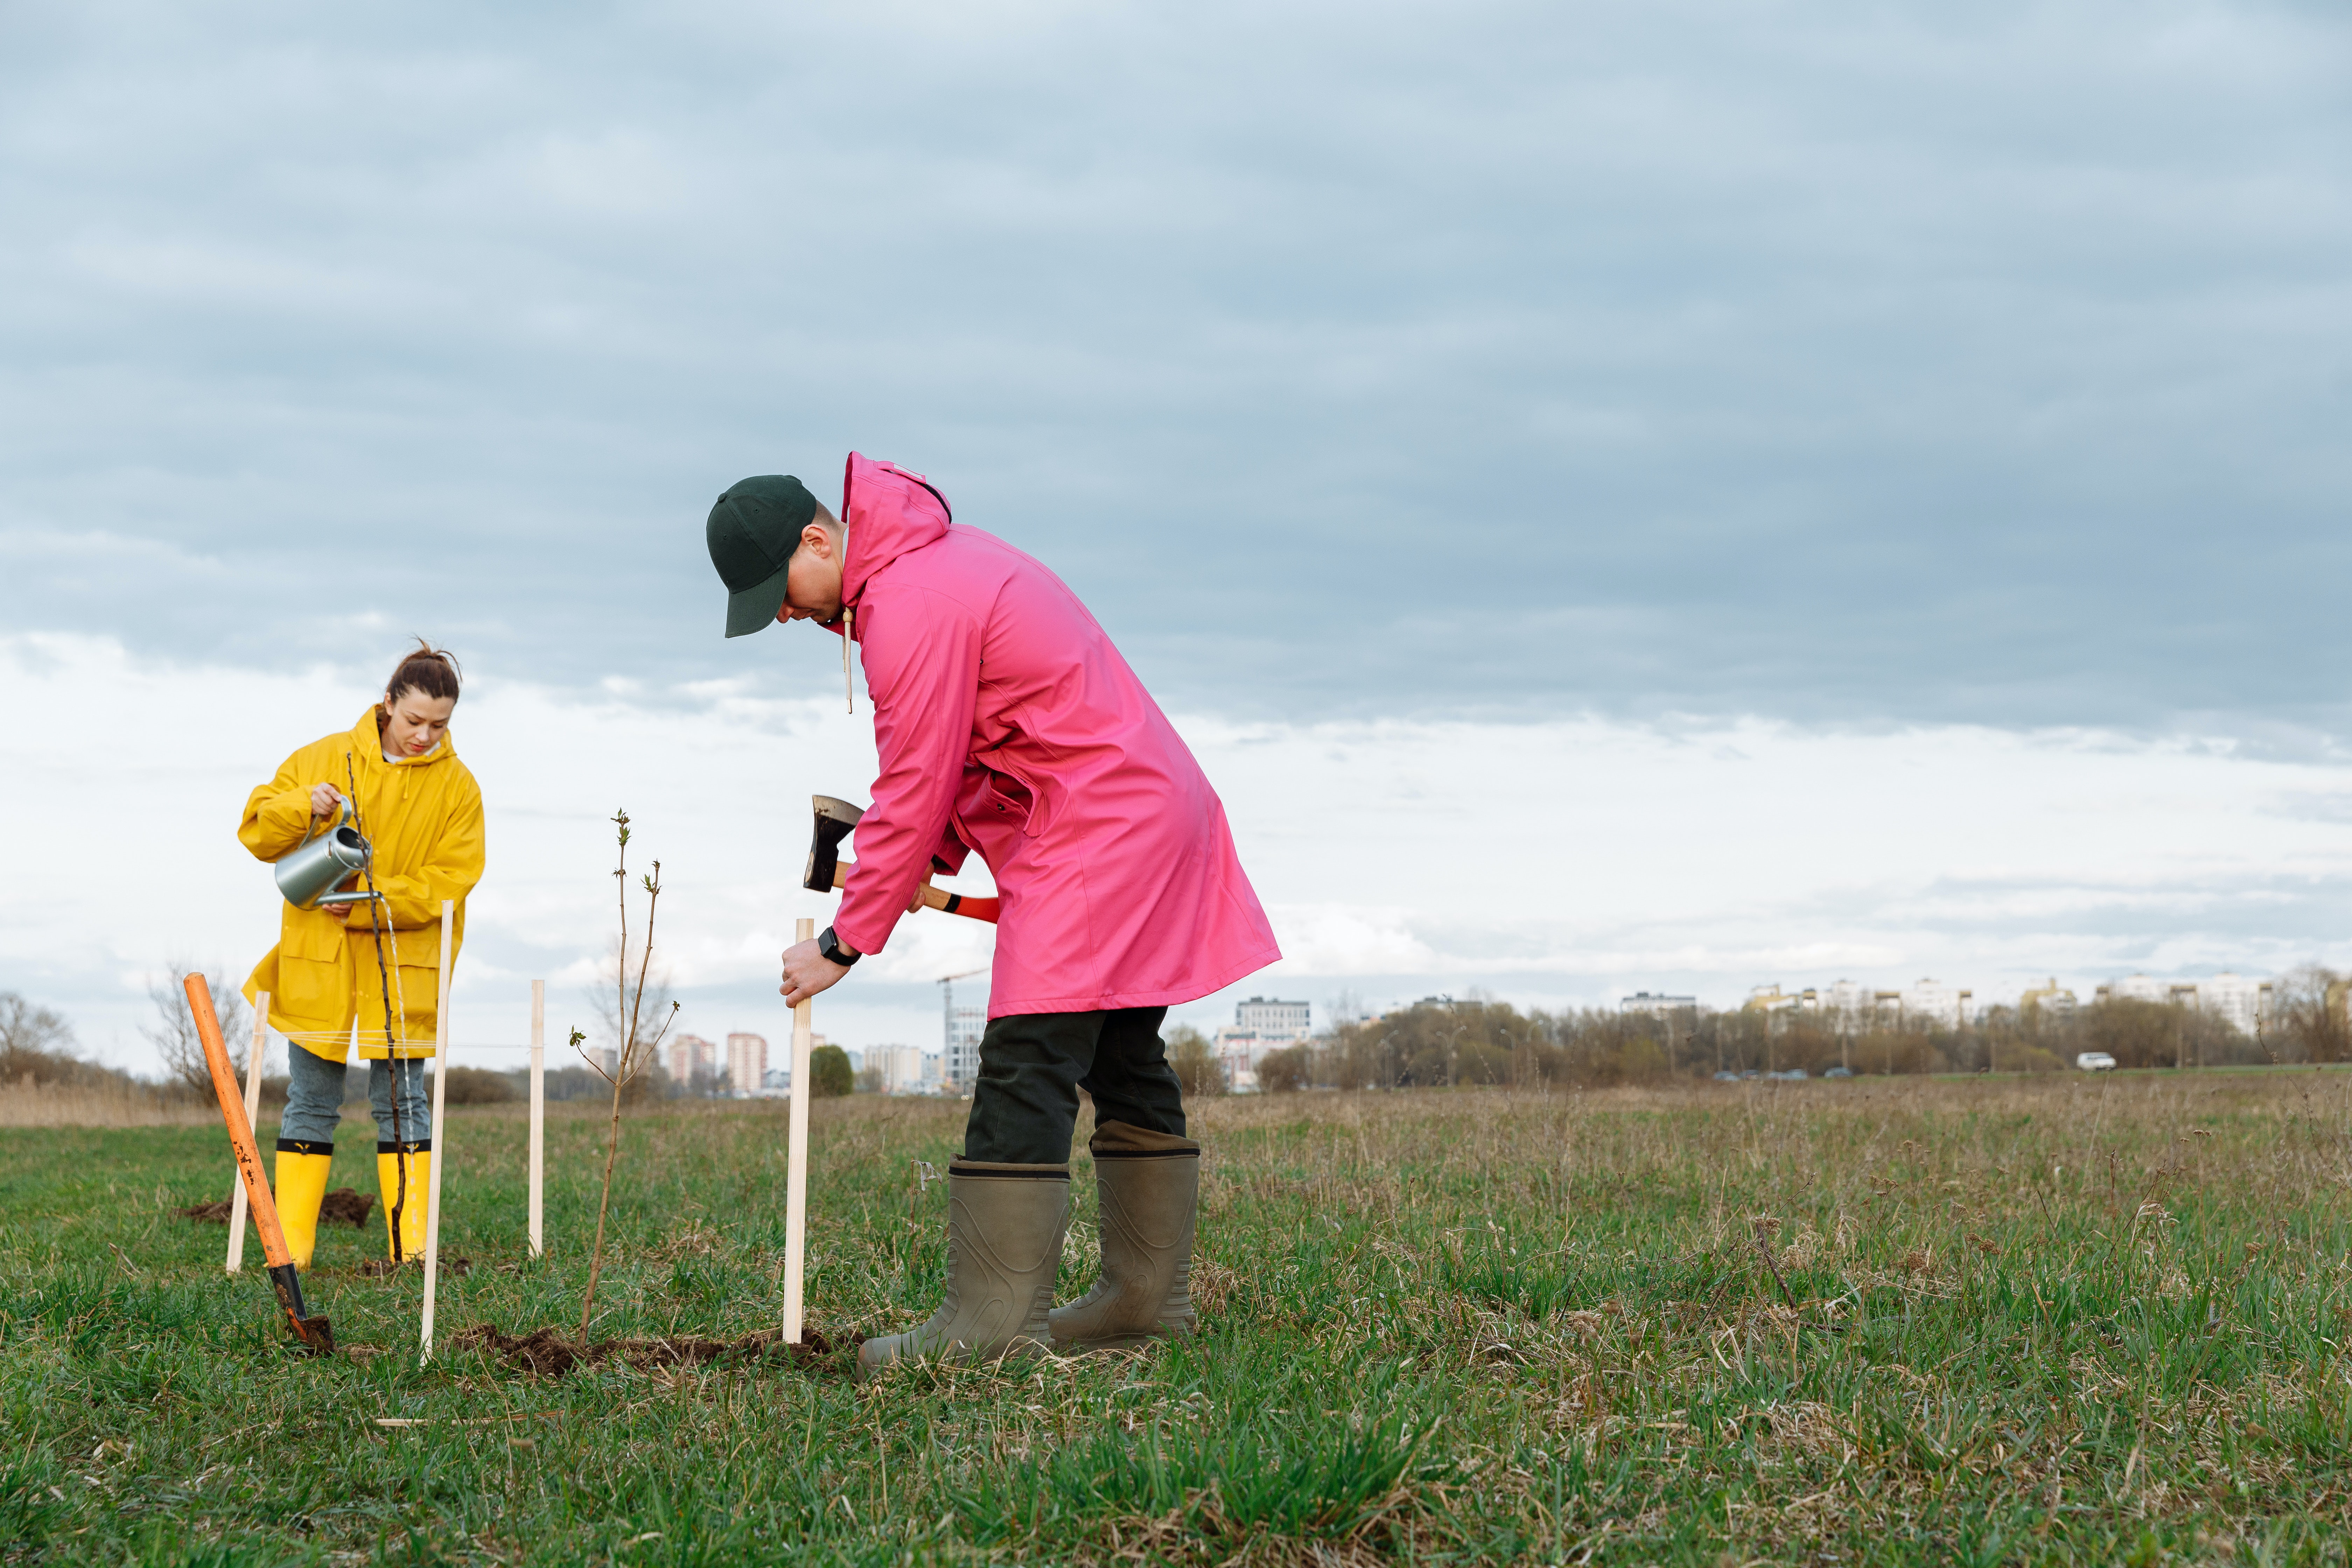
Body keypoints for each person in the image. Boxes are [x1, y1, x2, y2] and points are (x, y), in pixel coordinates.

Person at [706, 455, 1280, 1378]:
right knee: (1123, 1048)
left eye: (780, 591)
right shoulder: (938, 567)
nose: (783, 613)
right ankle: (1144, 1305)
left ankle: (991, 1328)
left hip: (1097, 826)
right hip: (1140, 808)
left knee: (1027, 1055)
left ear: (819, 540)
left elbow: (917, 780)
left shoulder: (908, 605)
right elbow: (958, 778)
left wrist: (843, 939)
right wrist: (913, 865)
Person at [237, 643, 485, 1270]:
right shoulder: (324, 758)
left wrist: (375, 903)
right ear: (387, 704)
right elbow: (259, 832)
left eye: (440, 725)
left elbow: (451, 880)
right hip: (317, 960)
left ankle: (413, 1252)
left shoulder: (460, 788)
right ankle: (291, 1252)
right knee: (310, 1098)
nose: (425, 736)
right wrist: (304, 807)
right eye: (414, 722)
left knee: (403, 1102)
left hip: (406, 963)